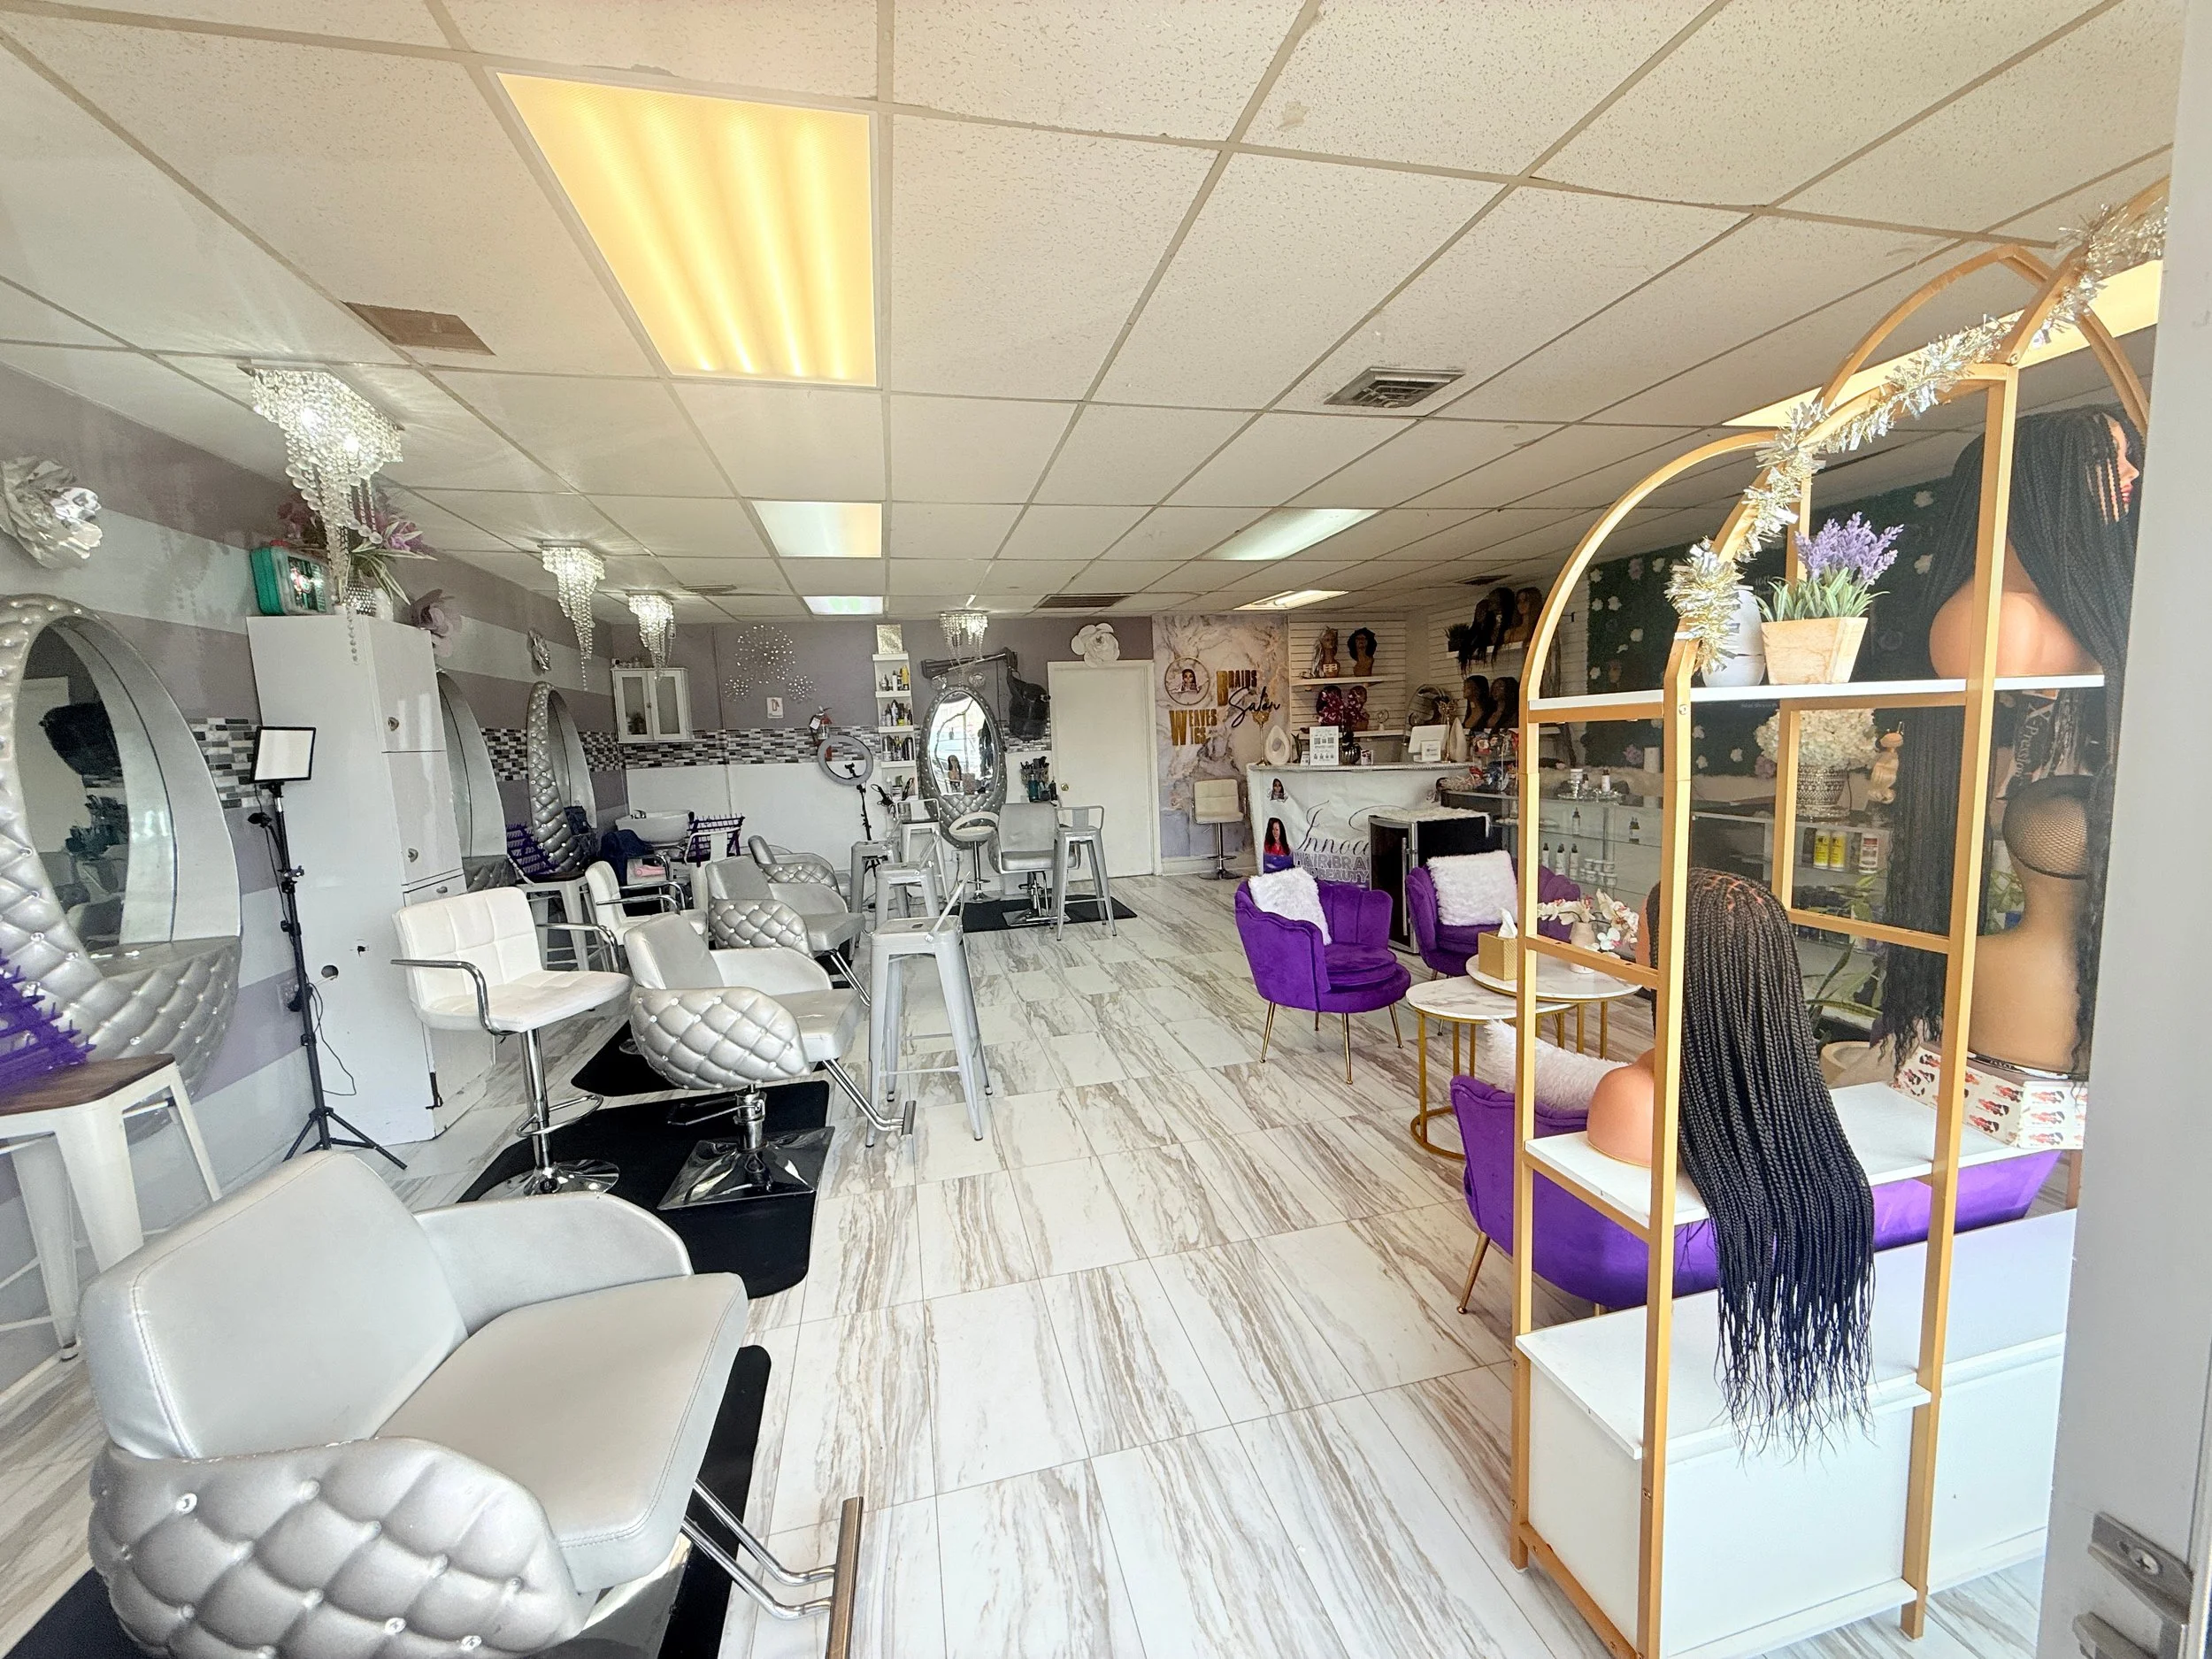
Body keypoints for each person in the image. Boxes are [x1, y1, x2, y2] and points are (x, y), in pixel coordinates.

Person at [1880, 406, 2141, 1071]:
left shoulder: (2071, 614)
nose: (2133, 474)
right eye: (2111, 460)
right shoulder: (2002, 624)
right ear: (2040, 482)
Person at [1586, 871, 1875, 1446]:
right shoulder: (1793, 1099)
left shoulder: (1632, 1098)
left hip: (1647, 1351)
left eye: (1644, 933)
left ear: (1666, 959)